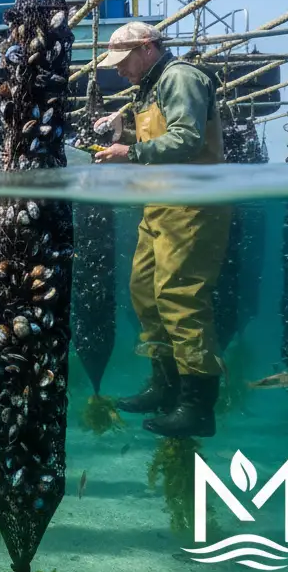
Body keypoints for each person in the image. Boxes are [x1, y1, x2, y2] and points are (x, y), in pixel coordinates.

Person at [92, 22, 229, 439]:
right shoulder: (150, 87)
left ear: (147, 48)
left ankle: (197, 405)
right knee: (145, 292)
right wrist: (125, 134)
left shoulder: (179, 77)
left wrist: (129, 151)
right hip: (160, 206)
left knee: (180, 297)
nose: (119, 71)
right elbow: (165, 135)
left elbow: (187, 140)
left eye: (123, 61)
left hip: (192, 205)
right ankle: (165, 386)